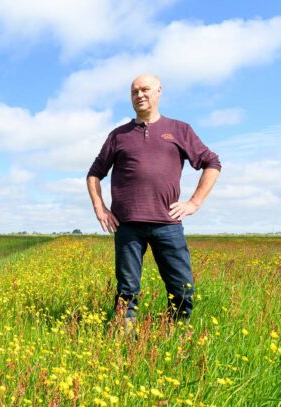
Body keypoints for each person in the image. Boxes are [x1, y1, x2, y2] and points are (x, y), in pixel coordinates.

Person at [86, 74, 221, 324]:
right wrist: (100, 208)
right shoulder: (118, 135)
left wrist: (195, 202)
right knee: (127, 290)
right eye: (134, 91)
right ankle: (124, 339)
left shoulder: (179, 129)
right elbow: (94, 174)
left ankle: (176, 332)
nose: (139, 95)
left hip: (167, 223)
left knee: (182, 287)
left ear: (159, 91)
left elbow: (211, 163)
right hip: (127, 225)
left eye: (145, 89)